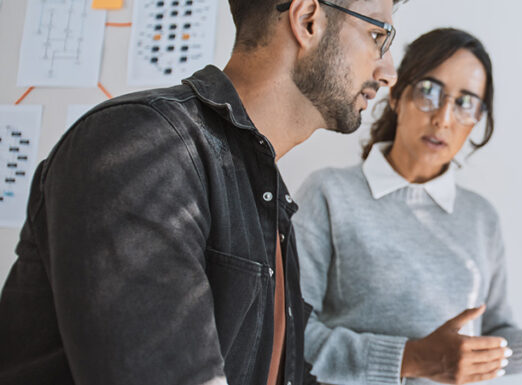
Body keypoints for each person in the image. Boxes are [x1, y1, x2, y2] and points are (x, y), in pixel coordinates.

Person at [0, 0, 400, 384]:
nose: (388, 72)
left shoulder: (265, 193)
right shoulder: (144, 146)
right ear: (308, 20)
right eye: (377, 34)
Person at [294, 28, 522, 385]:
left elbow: (490, 336)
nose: (443, 118)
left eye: (465, 102)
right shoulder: (329, 193)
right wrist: (409, 359)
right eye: (428, 91)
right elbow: (292, 333)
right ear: (396, 97)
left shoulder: (481, 217)